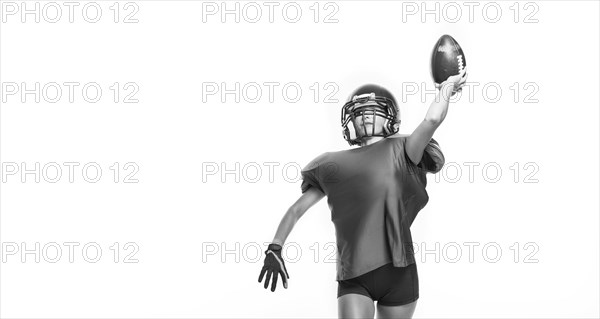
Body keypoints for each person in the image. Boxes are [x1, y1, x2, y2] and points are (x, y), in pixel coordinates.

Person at [259, 69, 468, 319]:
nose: (365, 118)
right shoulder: (330, 165)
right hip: (353, 275)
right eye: (359, 114)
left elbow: (432, 120)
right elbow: (296, 210)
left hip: (400, 272)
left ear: (390, 117)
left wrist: (446, 88)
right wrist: (275, 247)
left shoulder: (404, 149)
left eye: (373, 111)